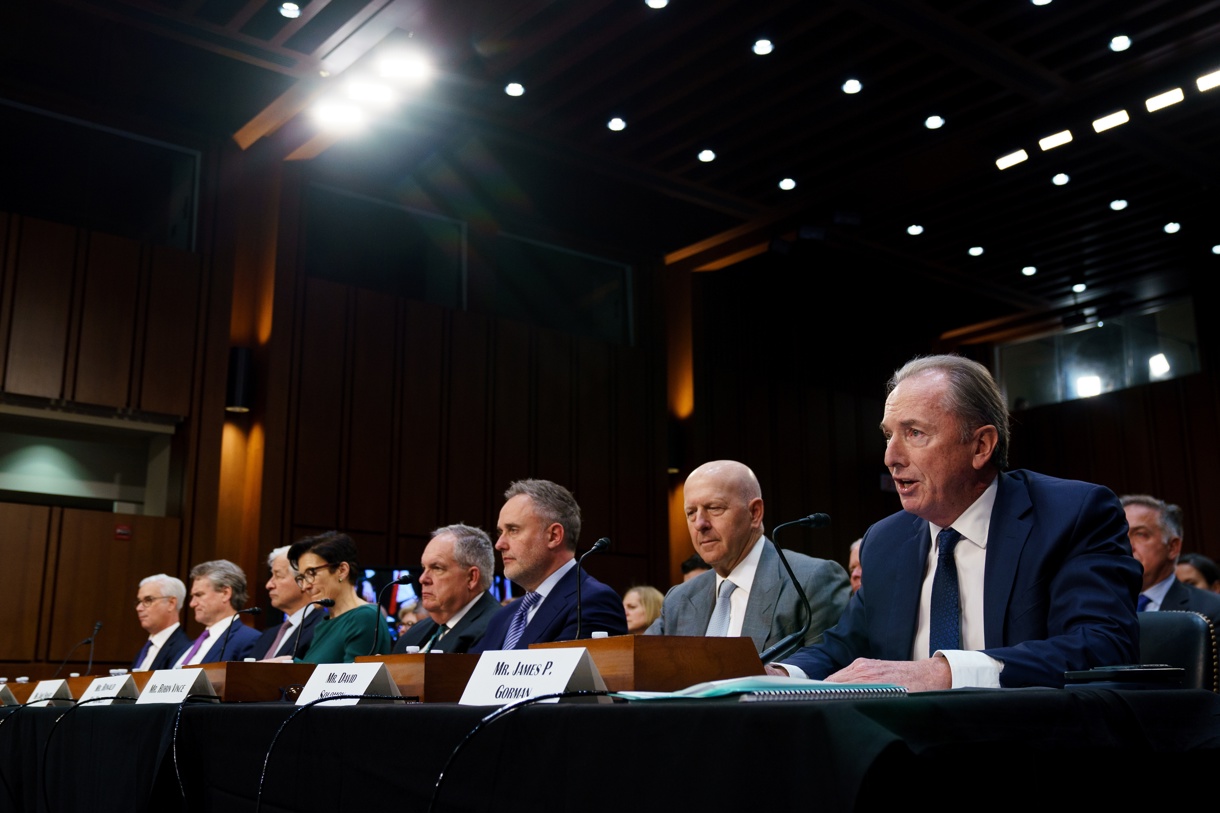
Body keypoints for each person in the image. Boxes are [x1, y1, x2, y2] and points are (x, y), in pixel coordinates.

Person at [770, 354, 1141, 690]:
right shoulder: (885, 540)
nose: (891, 457)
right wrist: (776, 676)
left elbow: (1102, 644)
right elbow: (843, 650)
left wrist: (947, 672)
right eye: (888, 435)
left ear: (981, 446)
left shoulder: (1071, 514)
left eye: (914, 433)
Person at [645, 460, 849, 654]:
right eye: (691, 513)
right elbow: (639, 662)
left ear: (755, 513)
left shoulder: (811, 581)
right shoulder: (679, 598)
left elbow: (830, 667)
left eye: (714, 508)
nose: (700, 524)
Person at [471, 479, 627, 652]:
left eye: (513, 530)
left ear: (554, 536)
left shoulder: (593, 602)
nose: (499, 544)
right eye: (501, 532)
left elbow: (570, 678)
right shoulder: (503, 616)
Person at [393, 524, 501, 654]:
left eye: (437, 568)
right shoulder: (414, 633)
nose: (422, 579)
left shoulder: (496, 629)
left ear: (471, 578)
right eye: (424, 568)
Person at [288, 531, 392, 663]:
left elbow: (348, 679)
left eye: (311, 573)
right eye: (302, 578)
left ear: (342, 570)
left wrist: (292, 665)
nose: (305, 587)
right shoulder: (325, 623)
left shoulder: (365, 617)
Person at [1121, 494, 1220, 625]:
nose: (1127, 545)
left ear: (1172, 547)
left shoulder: (1211, 610)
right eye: (1121, 535)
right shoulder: (1098, 606)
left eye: (1140, 534)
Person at [175, 560, 262, 665]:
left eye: (199, 595)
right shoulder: (186, 647)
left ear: (225, 593)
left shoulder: (250, 640)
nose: (192, 604)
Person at [249, 546, 325, 660]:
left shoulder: (322, 627)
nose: (269, 585)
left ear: (303, 580)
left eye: (278, 576)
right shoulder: (268, 635)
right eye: (271, 576)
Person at [132, 574, 190, 671]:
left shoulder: (183, 648)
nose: (139, 608)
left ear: (171, 603)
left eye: (148, 600)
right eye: (139, 601)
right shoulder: (145, 649)